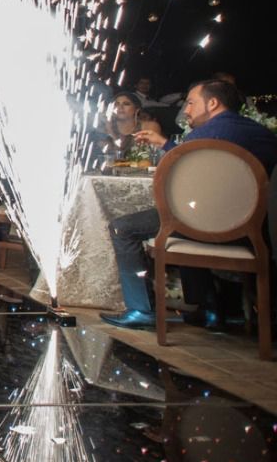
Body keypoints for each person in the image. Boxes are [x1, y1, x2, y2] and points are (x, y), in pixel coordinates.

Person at [101, 79, 277, 330]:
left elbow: (181, 179)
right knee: (183, 218)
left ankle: (142, 309)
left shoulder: (203, 136)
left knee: (125, 227)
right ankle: (209, 308)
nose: (186, 111)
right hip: (252, 231)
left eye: (192, 103)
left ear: (213, 103)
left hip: (202, 223)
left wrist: (167, 148)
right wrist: (165, 144)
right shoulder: (263, 134)